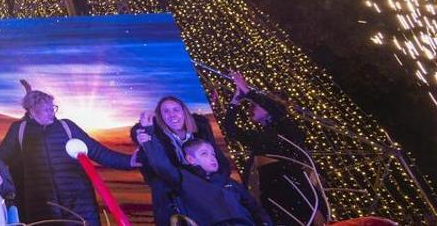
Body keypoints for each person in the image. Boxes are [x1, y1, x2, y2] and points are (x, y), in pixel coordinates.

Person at [0, 80, 139, 225]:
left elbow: (97, 151)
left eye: (53, 108)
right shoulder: (19, 130)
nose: (52, 113)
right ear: (32, 111)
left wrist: (129, 161)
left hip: (80, 205)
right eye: (46, 110)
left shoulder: (67, 127)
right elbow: (0, 158)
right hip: (42, 208)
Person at [221, 72, 326, 226]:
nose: (251, 107)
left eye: (255, 104)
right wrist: (236, 100)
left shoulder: (285, 127)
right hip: (267, 185)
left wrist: (248, 92)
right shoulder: (259, 136)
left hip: (289, 180)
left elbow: (276, 109)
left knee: (306, 215)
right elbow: (230, 130)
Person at [136, 117, 272, 226]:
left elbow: (255, 208)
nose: (212, 158)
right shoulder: (184, 178)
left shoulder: (230, 183)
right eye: (204, 154)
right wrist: (149, 133)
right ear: (191, 159)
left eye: (213, 154)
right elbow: (161, 165)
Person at [131, 96, 232, 226]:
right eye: (166, 111)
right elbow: (159, 168)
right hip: (175, 188)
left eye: (176, 109)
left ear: (184, 112)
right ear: (160, 117)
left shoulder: (201, 129)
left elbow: (219, 161)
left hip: (203, 184)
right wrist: (146, 138)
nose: (172, 114)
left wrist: (216, 183)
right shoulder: (156, 136)